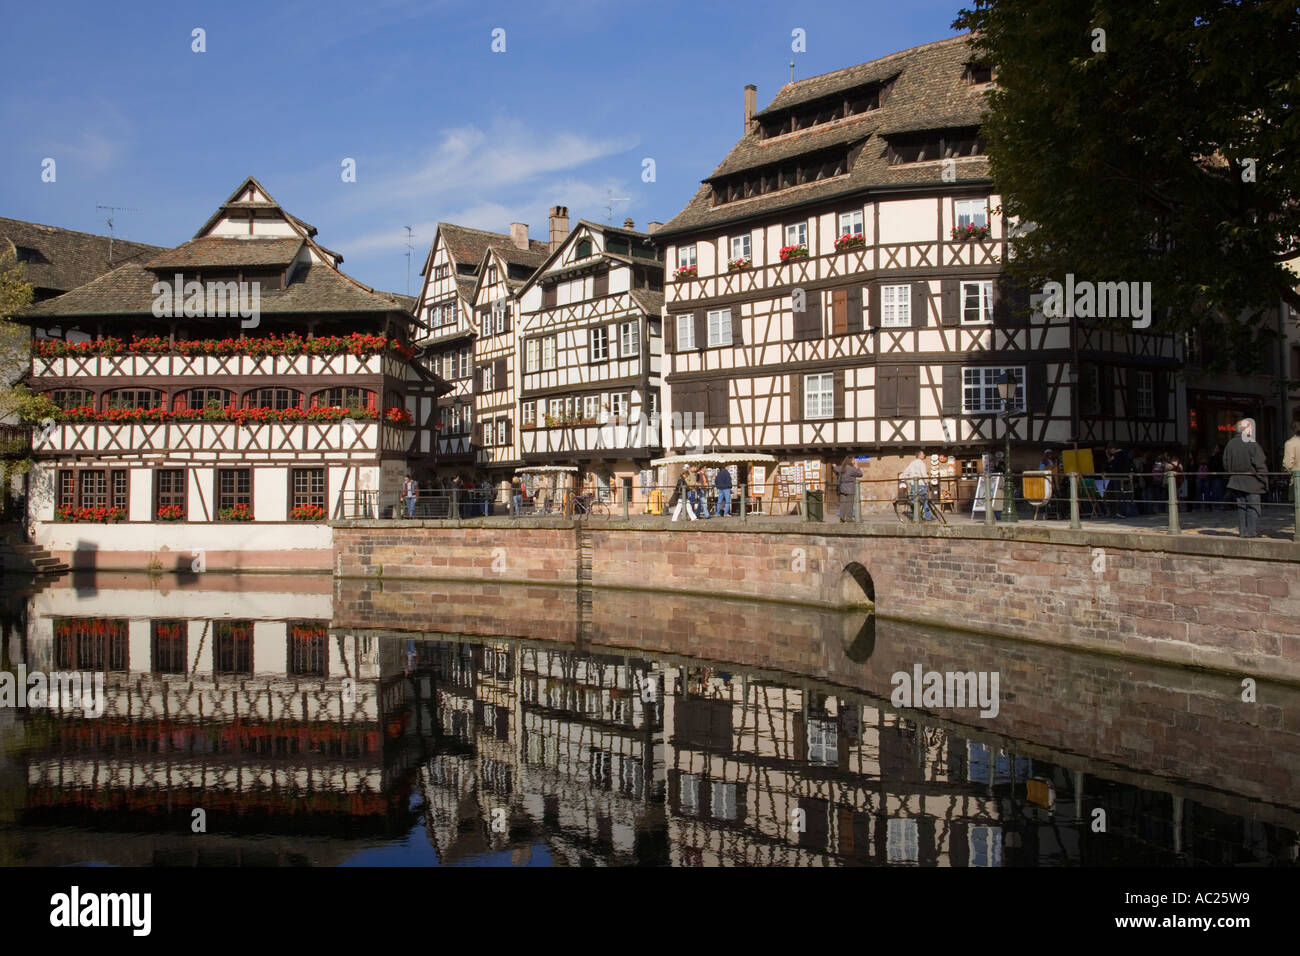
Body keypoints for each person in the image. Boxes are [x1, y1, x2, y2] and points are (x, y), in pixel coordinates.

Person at [1223, 418, 1269, 538]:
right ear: (1246, 429)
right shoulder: (1252, 443)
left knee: (1241, 507)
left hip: (1236, 481)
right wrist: (1264, 479)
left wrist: (1231, 473)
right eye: (1250, 427)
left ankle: (1243, 532)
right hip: (1252, 481)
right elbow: (1260, 463)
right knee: (1252, 508)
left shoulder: (1230, 444)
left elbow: (1226, 463)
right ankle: (1251, 532)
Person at [898, 451, 932, 520]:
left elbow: (905, 473)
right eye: (923, 454)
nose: (924, 455)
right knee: (925, 500)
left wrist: (909, 481)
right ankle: (928, 517)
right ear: (919, 455)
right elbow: (923, 474)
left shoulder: (912, 463)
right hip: (921, 484)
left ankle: (915, 515)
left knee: (914, 500)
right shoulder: (921, 463)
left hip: (913, 485)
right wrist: (927, 482)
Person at [833, 455, 863, 521]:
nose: (854, 461)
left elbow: (835, 468)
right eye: (853, 460)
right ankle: (849, 518)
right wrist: (856, 466)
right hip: (850, 489)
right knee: (849, 504)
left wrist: (835, 465)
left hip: (842, 488)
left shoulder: (842, 468)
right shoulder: (852, 469)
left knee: (843, 503)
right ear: (851, 461)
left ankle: (842, 518)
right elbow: (860, 474)